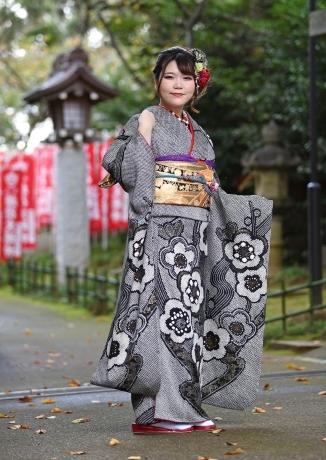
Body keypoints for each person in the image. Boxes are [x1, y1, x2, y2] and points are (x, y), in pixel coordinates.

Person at [91, 47, 273, 434]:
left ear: (197, 85)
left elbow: (212, 190)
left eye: (186, 78)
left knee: (186, 320)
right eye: (170, 76)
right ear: (157, 79)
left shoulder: (199, 133)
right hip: (158, 230)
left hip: (193, 238)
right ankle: (166, 412)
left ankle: (172, 408)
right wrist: (141, 130)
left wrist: (249, 214)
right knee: (160, 317)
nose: (178, 84)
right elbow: (127, 169)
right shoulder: (147, 118)